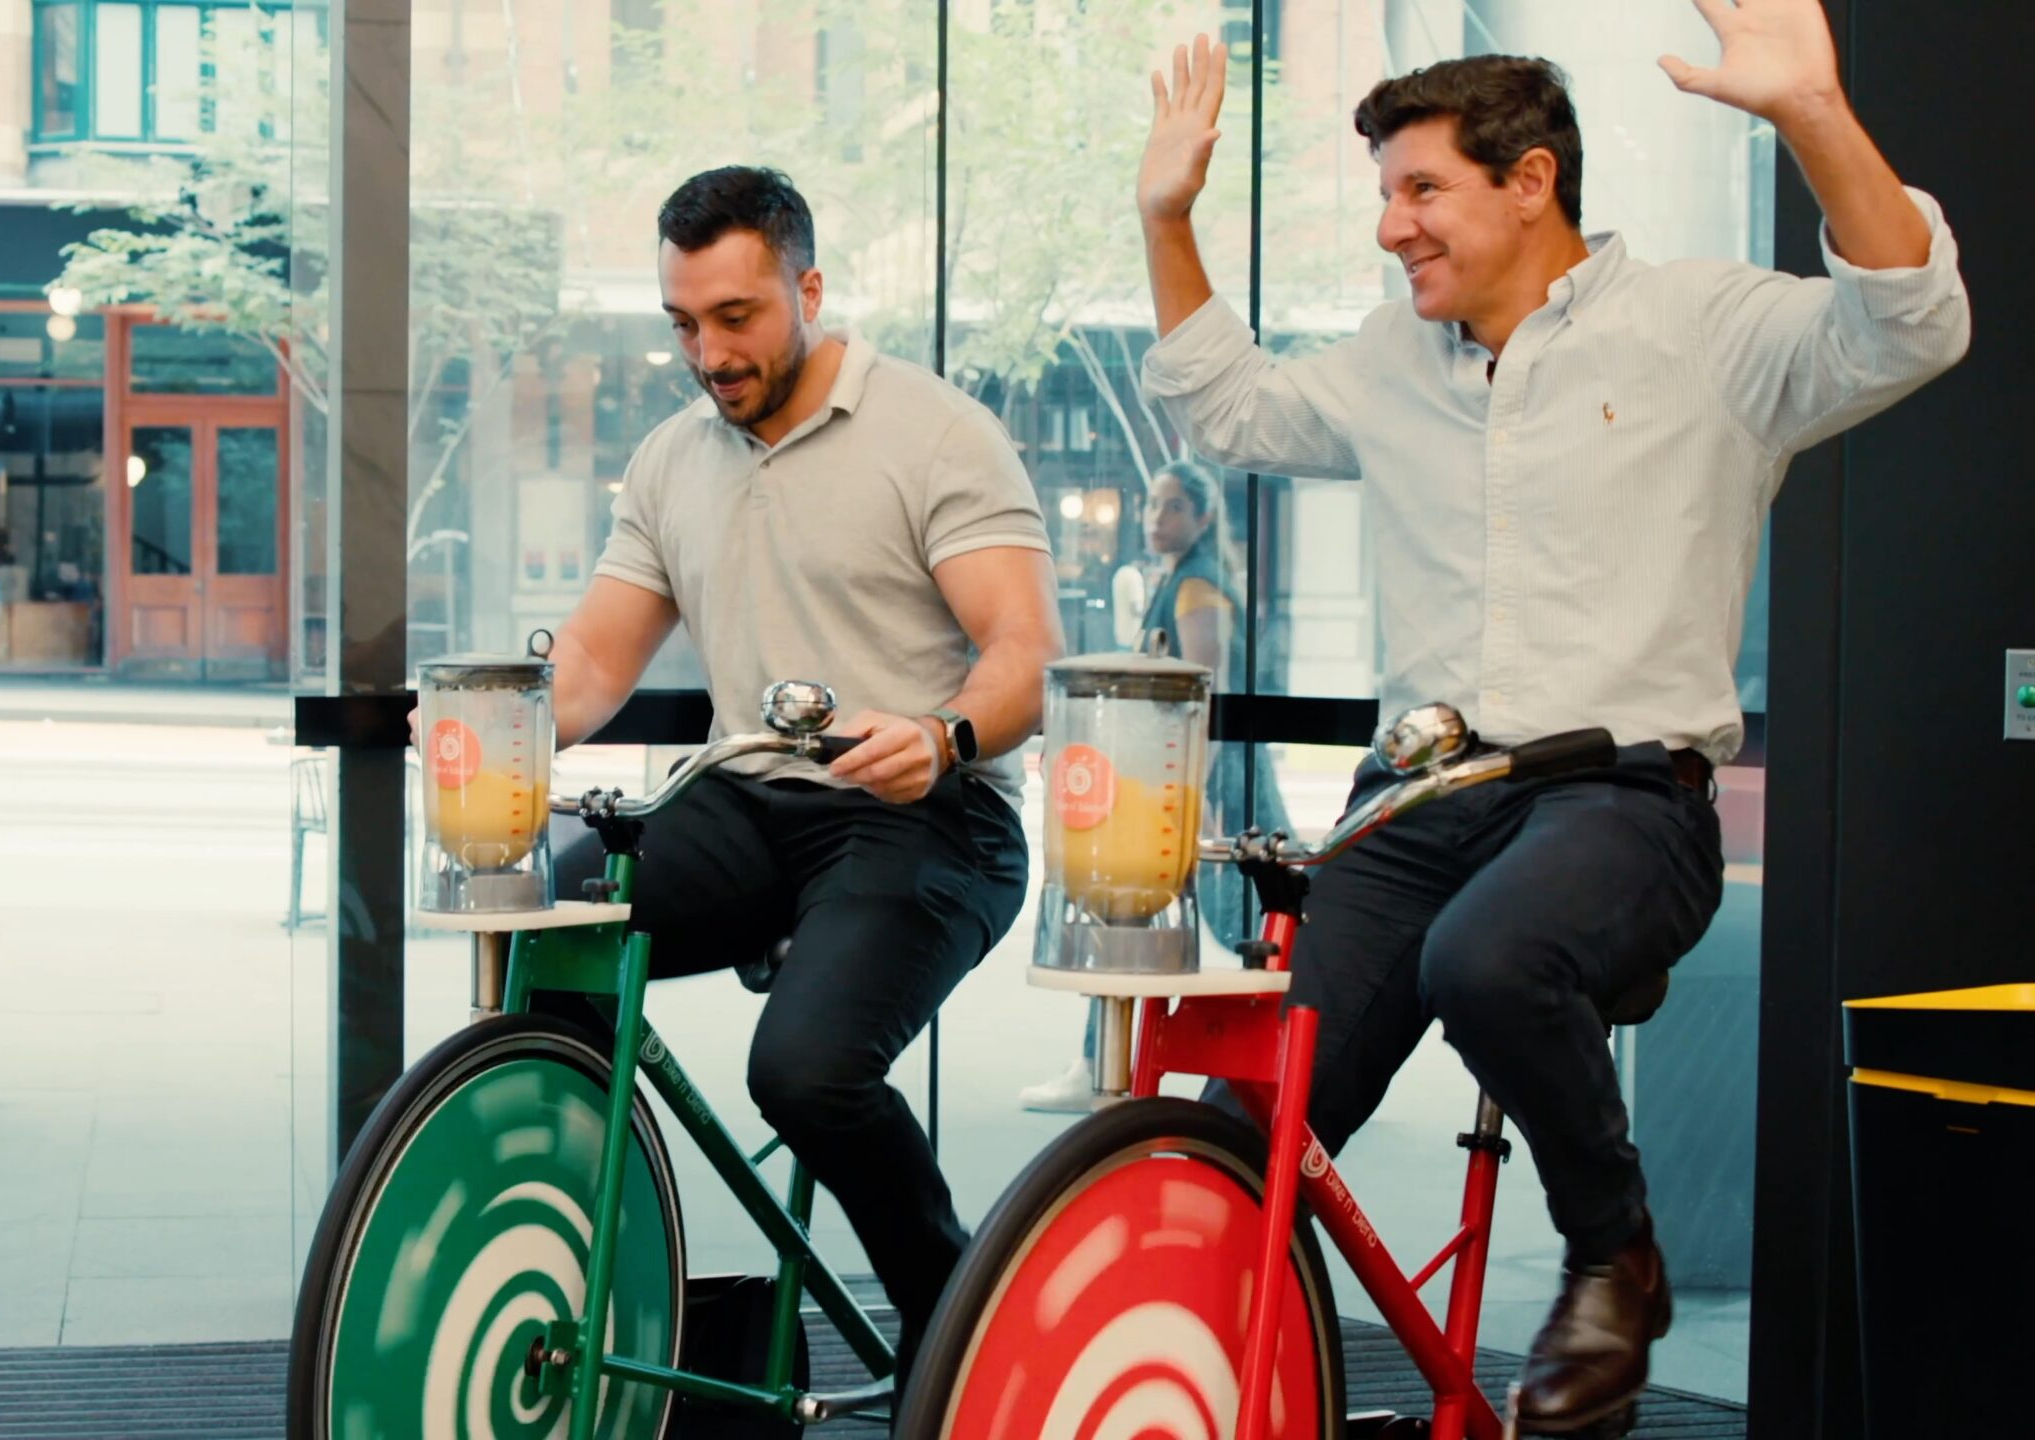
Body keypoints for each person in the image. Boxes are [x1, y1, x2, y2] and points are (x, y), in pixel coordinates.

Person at [1134, 0, 1967, 1427]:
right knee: (1249, 1132)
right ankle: (1176, 1363)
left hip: (1623, 801)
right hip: (1416, 807)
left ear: (1531, 183)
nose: (1391, 227)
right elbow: (1235, 415)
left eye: (1421, 190)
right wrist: (1168, 216)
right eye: (1383, 194)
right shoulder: (1394, 361)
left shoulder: (1704, 329)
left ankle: (1612, 1255)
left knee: (1489, 961)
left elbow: (1913, 321)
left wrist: (1816, 116)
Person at [539, 166, 1060, 1380]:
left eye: (736, 318)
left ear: (807, 287)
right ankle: (584, 1281)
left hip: (931, 816)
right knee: (549, 934)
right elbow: (589, 666)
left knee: (806, 1074)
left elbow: (1027, 658)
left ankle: (963, 1343)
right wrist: (481, 722)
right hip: (746, 805)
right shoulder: (672, 460)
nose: (709, 353)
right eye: (683, 323)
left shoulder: (933, 433)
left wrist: (942, 735)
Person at [1019, 457, 1293, 1112]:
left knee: (1174, 911)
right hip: (1183, 774)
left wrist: (1197, 800)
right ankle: (1107, 1060)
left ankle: (1110, 1064)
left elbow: (1199, 691)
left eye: (1172, 507)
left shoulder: (1198, 586)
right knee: (1238, 918)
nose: (1155, 518)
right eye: (1151, 506)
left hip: (1192, 775)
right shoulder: (1178, 580)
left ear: (1201, 517)